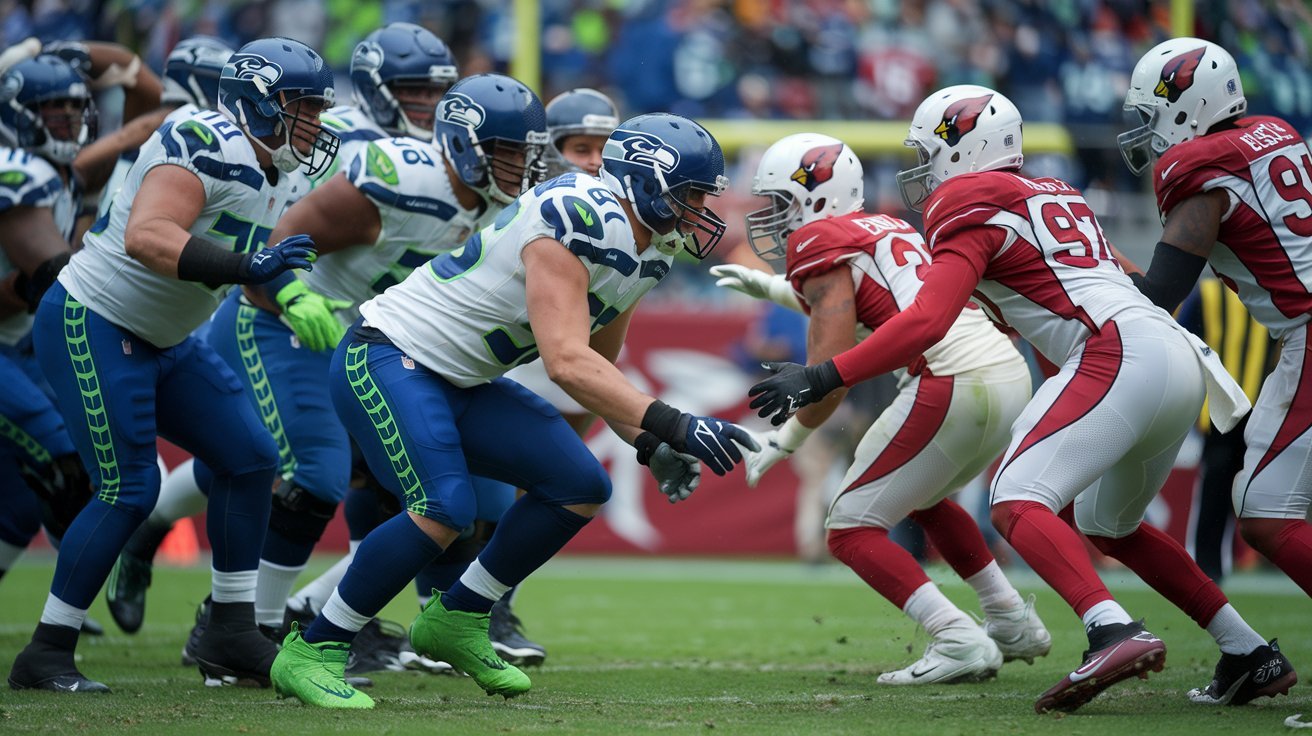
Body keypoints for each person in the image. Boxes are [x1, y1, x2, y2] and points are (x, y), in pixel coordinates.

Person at [745, 85, 1296, 714]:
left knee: (1015, 500)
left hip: (1120, 350)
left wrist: (822, 376)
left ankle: (1111, 630)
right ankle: (1248, 650)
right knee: (1108, 525)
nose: (922, 169)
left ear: (963, 147)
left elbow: (928, 322)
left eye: (928, 152)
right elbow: (1103, 291)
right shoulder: (1056, 193)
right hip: (1173, 352)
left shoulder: (966, 201)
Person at [269, 112, 757, 709]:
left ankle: (459, 618)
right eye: (692, 193)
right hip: (388, 355)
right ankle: (314, 647)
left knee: (579, 484)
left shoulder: (650, 248)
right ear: (645, 180)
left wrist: (647, 441)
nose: (702, 209)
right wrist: (675, 423)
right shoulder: (578, 215)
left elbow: (599, 361)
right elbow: (565, 362)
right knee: (444, 508)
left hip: (459, 380)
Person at [7, 36, 336, 693]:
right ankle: (46, 651)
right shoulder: (204, 139)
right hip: (95, 318)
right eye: (303, 107)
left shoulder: (285, 167)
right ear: (258, 103)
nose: (314, 123)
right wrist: (251, 267)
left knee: (251, 458)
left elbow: (255, 253)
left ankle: (230, 631)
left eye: (318, 109)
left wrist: (289, 292)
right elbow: (149, 235)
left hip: (165, 336)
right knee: (130, 489)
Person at [713, 132, 1049, 684]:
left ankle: (956, 636)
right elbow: (860, 299)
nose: (771, 216)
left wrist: (786, 439)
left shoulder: (820, 241)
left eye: (779, 202)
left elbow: (828, 376)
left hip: (950, 379)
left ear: (815, 196)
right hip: (1006, 374)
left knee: (849, 528)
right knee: (925, 499)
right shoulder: (887, 228)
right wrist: (771, 289)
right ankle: (1011, 619)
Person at [1117, 38, 1312, 606]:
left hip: (1307, 332)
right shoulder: (1275, 131)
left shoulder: (1200, 168)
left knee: (1265, 510)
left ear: (1188, 105)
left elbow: (1159, 295)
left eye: (1153, 112)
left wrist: (1093, 262)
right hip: (1298, 333)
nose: (1147, 129)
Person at [0, 45, 162, 636]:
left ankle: (65, 601)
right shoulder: (18, 169)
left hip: (17, 346)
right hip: (12, 344)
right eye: (54, 110)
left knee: (21, 503)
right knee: (66, 464)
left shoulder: (61, 172)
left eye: (75, 110)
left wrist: (98, 58)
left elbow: (150, 100)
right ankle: (72, 602)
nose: (69, 121)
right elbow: (52, 276)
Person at [495, 85, 621, 665]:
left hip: (563, 363)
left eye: (604, 150)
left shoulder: (624, 224)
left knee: (544, 490)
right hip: (500, 361)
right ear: (549, 152)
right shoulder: (530, 207)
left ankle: (491, 607)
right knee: (467, 503)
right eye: (580, 148)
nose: (593, 162)